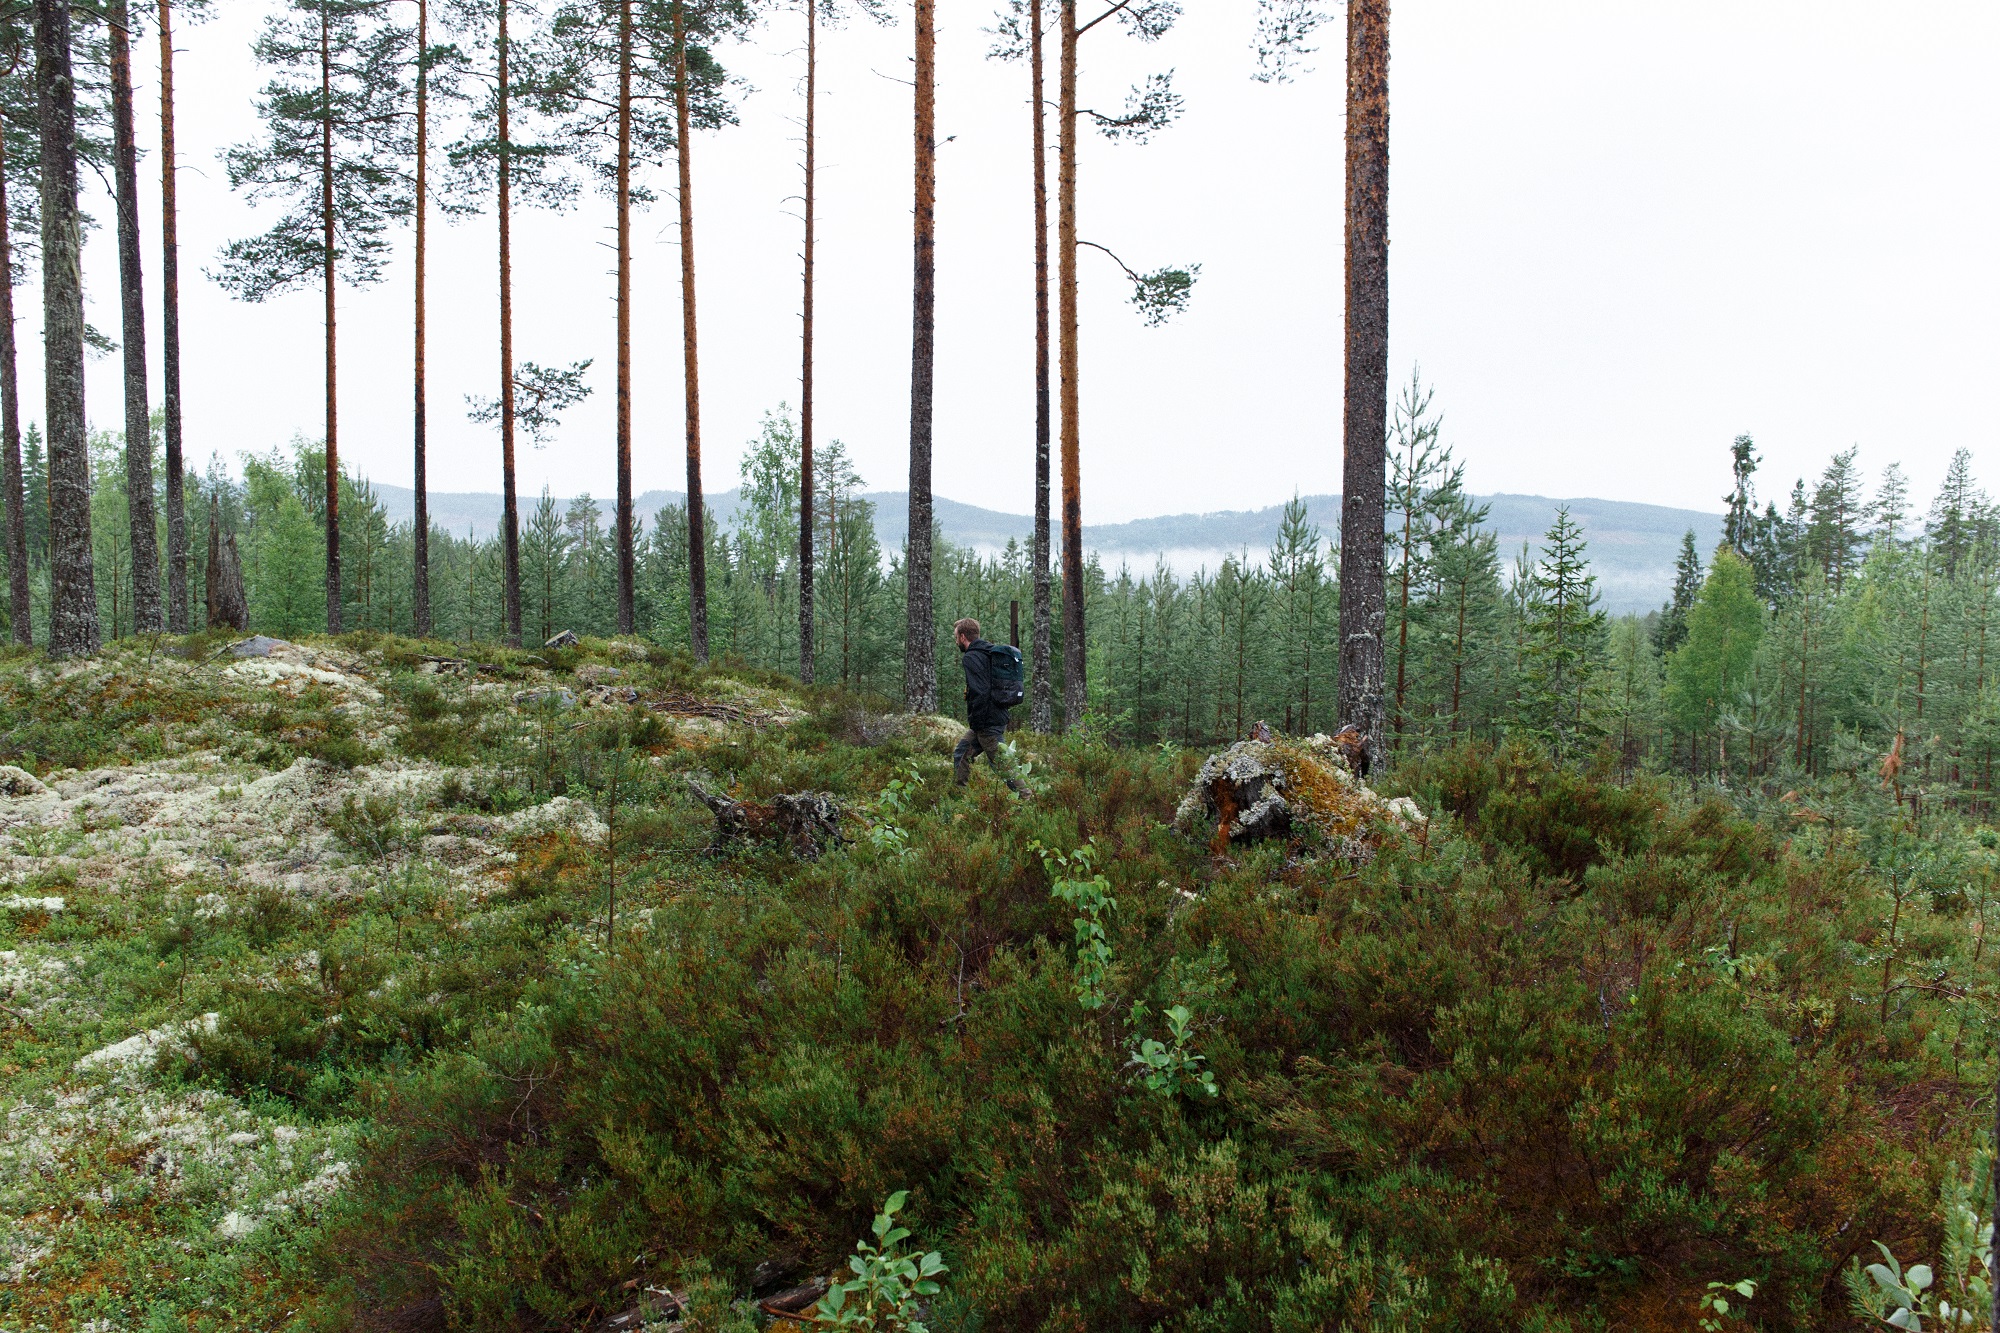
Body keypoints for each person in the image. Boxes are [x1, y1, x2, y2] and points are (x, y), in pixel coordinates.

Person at [952, 618, 1027, 794]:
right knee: (961, 754)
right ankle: (959, 797)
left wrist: (978, 722)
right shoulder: (988, 652)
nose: (956, 641)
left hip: (987, 723)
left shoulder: (971, 657)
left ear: (963, 637)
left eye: (956, 637)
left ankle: (1027, 798)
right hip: (991, 719)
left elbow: (980, 691)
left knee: (1002, 765)